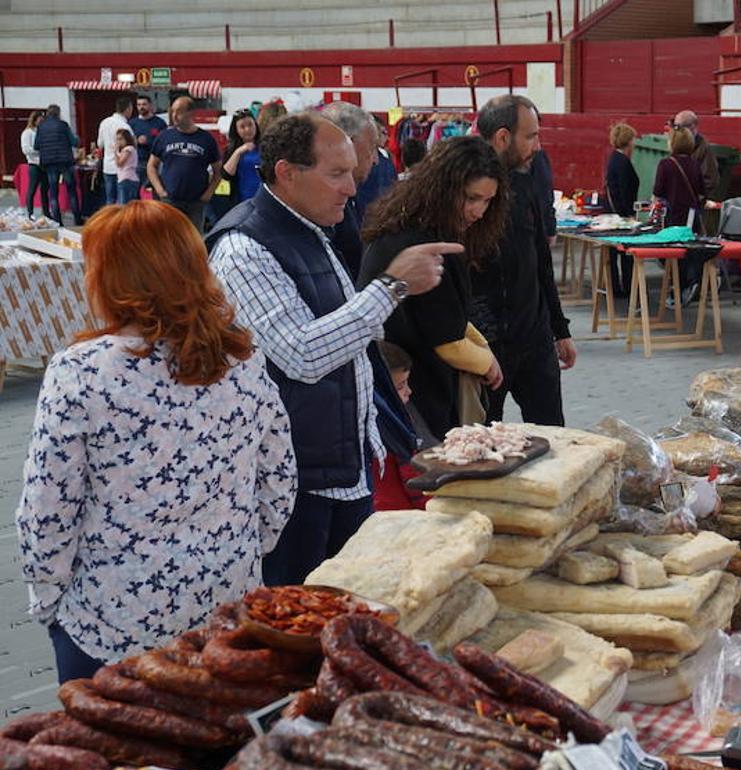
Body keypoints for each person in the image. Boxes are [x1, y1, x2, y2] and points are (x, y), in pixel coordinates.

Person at [16, 200, 297, 682]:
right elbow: (280, 483)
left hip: (112, 621)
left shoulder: (80, 370)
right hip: (224, 608)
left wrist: (50, 601)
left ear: (109, 277)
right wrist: (238, 552)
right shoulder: (242, 357)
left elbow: (48, 510)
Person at [206, 112, 455, 586]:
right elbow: (303, 356)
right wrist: (393, 286)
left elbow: (348, 343)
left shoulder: (311, 230)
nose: (351, 188)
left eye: (351, 172)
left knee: (345, 611)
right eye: (336, 174)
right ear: (286, 172)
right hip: (294, 484)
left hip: (340, 469)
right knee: (300, 624)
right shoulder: (245, 248)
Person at [359, 136, 508, 439]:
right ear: (444, 188)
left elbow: (450, 314)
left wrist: (483, 350)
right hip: (408, 388)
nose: (479, 211)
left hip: (405, 378)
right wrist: (488, 362)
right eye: (471, 198)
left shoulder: (416, 225)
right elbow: (446, 338)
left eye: (487, 201)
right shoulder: (424, 241)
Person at [471, 94, 574, 426]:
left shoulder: (527, 180)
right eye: (530, 136)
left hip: (535, 338)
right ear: (503, 138)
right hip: (486, 348)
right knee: (483, 446)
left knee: (554, 438)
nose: (538, 145)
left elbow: (541, 258)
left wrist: (559, 330)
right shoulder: (462, 191)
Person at [320, 101, 380, 280]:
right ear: (348, 145)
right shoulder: (319, 206)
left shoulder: (346, 197)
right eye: (372, 148)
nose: (375, 159)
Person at [369, 341, 429, 512]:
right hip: (403, 514)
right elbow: (411, 475)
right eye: (401, 386)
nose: (409, 391)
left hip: (376, 512)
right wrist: (431, 508)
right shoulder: (394, 424)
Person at [148, 96, 221, 232]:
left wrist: (208, 194)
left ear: (191, 113)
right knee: (169, 239)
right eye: (173, 111)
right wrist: (160, 190)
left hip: (195, 202)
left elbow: (218, 171)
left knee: (192, 241)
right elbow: (151, 166)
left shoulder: (206, 139)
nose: (174, 116)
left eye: (179, 112)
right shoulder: (164, 137)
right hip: (170, 200)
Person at [653, 126, 707, 303]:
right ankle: (689, 284)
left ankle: (677, 289)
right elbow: (702, 191)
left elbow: (658, 191)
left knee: (671, 254)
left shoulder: (665, 164)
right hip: (691, 217)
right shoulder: (695, 164)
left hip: (673, 216)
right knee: (689, 251)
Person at [604, 122, 640, 297]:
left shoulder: (613, 159)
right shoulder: (624, 163)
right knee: (626, 254)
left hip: (613, 213)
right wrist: (630, 214)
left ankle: (615, 287)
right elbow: (625, 191)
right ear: (628, 141)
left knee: (613, 254)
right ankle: (627, 287)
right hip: (622, 215)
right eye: (633, 139)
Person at [33, 104, 80, 226]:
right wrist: (77, 139)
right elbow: (74, 142)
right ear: (58, 113)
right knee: (71, 191)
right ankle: (77, 219)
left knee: (53, 193)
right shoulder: (63, 125)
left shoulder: (41, 126)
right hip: (65, 162)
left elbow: (36, 145)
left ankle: (57, 221)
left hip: (49, 163)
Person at [354, 118, 398, 218]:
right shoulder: (358, 158)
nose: (386, 137)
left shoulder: (386, 157)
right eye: (383, 132)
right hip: (363, 212)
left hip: (384, 212)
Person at [96, 95, 134, 206]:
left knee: (110, 200)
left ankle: (110, 221)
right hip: (122, 168)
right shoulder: (125, 127)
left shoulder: (104, 122)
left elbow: (100, 144)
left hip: (107, 166)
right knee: (122, 200)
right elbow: (132, 147)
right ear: (128, 108)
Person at [673, 110, 719, 198]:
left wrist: (694, 196)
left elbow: (710, 179)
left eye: (679, 127)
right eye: (675, 127)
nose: (676, 131)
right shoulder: (676, 143)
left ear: (692, 127)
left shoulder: (703, 148)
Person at [222, 108, 263, 206]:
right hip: (241, 201)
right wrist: (238, 152)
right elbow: (226, 174)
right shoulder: (232, 149)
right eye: (242, 127)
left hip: (262, 199)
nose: (247, 129)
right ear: (236, 129)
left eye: (250, 125)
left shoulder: (265, 145)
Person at [128, 95, 167, 179]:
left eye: (144, 104)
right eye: (139, 105)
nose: (141, 107)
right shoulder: (132, 123)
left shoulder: (160, 123)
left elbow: (165, 142)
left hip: (156, 162)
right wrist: (137, 141)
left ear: (150, 105)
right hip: (137, 162)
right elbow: (126, 142)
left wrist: (149, 141)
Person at [21, 110, 50, 220]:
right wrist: (39, 151)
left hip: (44, 163)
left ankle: (46, 212)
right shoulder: (27, 133)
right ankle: (30, 212)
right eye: (40, 120)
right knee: (32, 189)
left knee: (45, 189)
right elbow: (26, 149)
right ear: (34, 120)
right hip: (34, 164)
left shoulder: (42, 131)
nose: (41, 122)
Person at [113, 129, 140, 204]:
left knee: (124, 205)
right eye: (117, 139)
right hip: (125, 178)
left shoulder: (128, 149)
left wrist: (115, 152)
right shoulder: (127, 149)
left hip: (127, 178)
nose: (118, 142)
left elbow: (119, 163)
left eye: (120, 139)